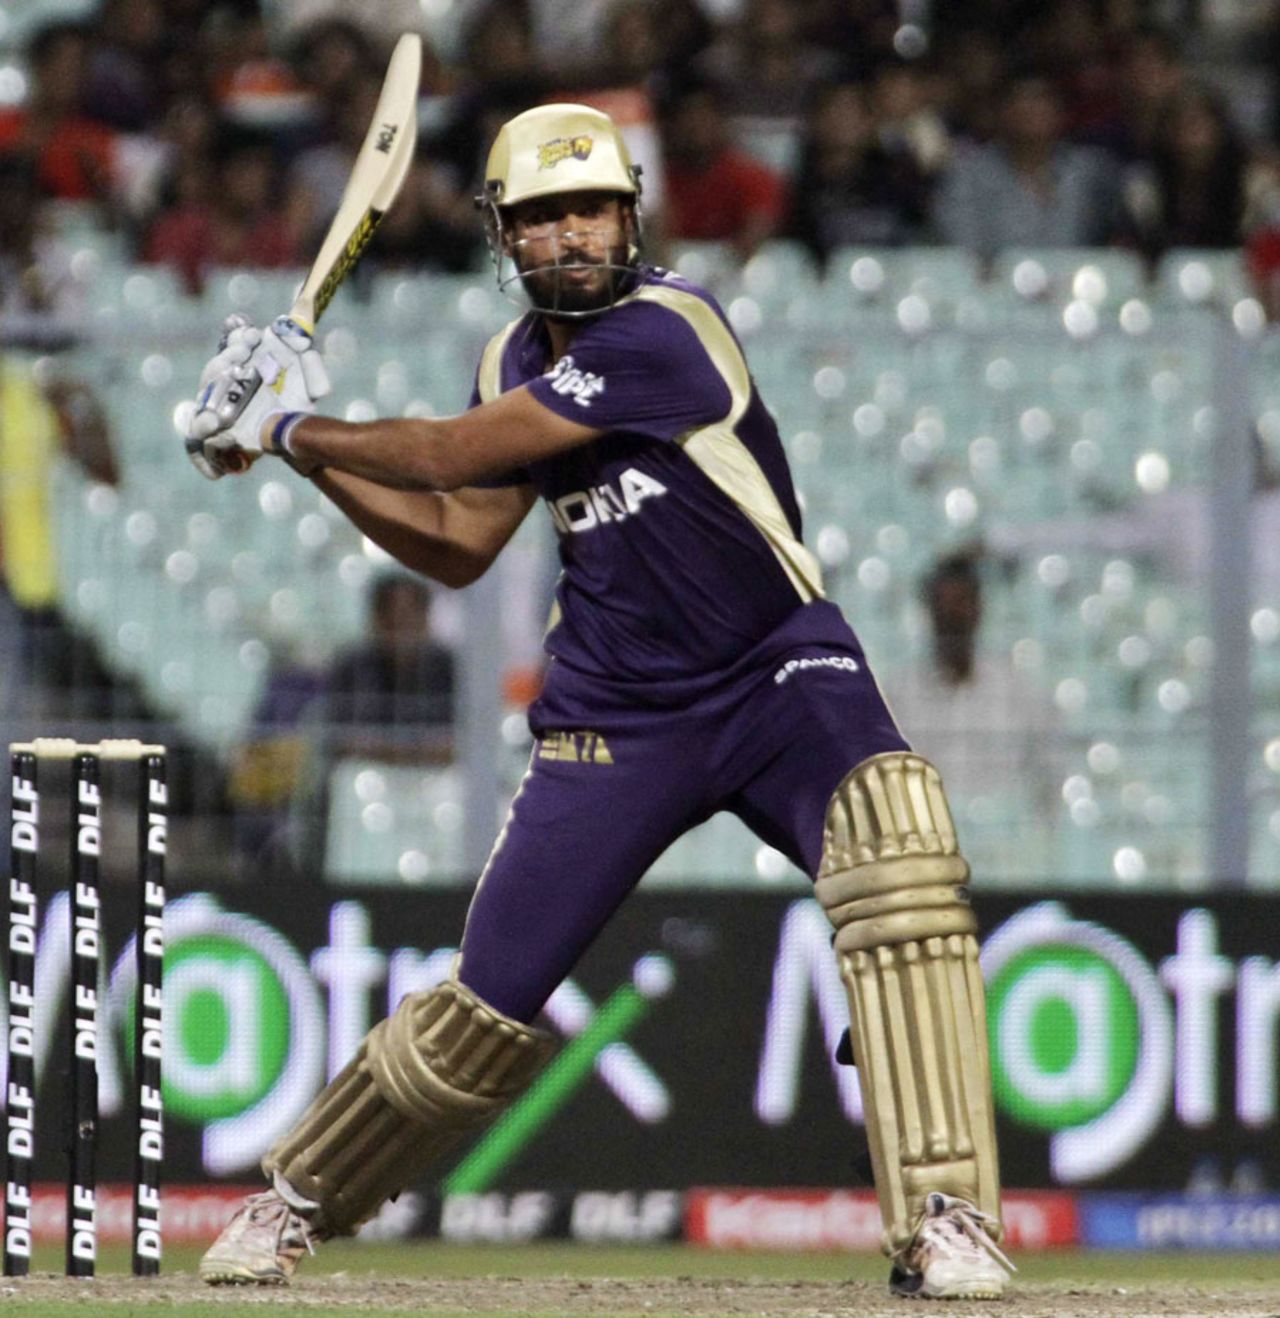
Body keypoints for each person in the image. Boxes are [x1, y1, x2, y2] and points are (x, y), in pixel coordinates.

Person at [183, 102, 1012, 1301]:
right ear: (502, 235)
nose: (573, 235)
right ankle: (294, 1199)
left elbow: (450, 455)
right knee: (482, 1003)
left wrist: (284, 423)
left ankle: (944, 1217)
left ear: (631, 216)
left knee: (900, 857)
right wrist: (299, 451)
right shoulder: (507, 361)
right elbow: (457, 540)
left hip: (776, 672)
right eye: (543, 217)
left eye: (593, 209)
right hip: (616, 715)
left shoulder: (667, 330)